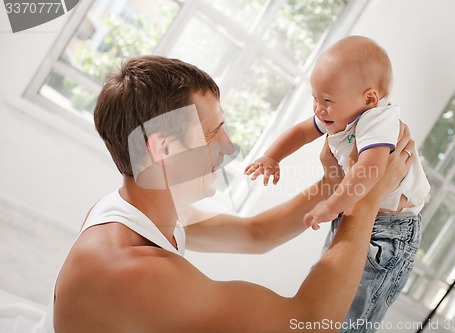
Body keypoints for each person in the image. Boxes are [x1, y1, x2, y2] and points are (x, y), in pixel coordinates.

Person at [33, 55, 415, 333]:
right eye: (214, 132)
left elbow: (256, 234)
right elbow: (308, 324)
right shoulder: (133, 271)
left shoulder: (139, 210)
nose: (229, 147)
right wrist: (367, 201)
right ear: (164, 149)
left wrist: (333, 184)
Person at [245, 35, 430, 331]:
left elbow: (369, 171)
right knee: (326, 302)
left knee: (350, 317)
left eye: (326, 100)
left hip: (389, 231)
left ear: (369, 99)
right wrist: (271, 157)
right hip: (358, 214)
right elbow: (302, 132)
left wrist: (332, 204)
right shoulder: (341, 114)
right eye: (315, 97)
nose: (318, 109)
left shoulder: (377, 120)